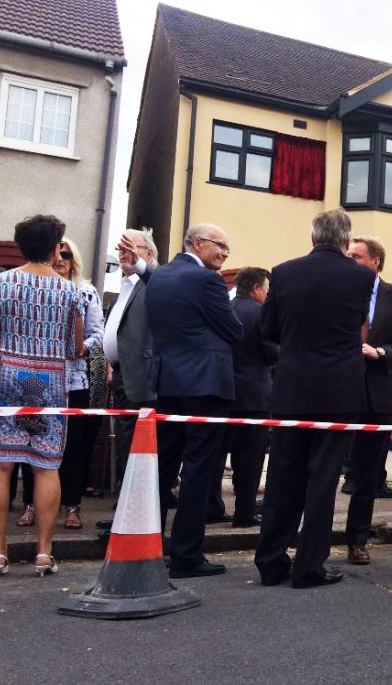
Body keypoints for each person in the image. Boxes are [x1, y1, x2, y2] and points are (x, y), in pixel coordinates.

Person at [255, 209, 373, 589]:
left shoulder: (284, 272)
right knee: (322, 479)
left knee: (283, 475)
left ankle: (271, 560)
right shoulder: (361, 277)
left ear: (313, 237)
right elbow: (358, 326)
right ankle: (310, 565)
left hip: (292, 387)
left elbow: (267, 329)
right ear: (344, 240)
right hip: (339, 389)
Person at [0, 215, 83, 577]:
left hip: (6, 378)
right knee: (46, 465)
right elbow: (75, 346)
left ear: (21, 246)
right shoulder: (71, 291)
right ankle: (44, 552)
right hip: (50, 382)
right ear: (55, 248)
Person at [146, 223, 243, 578]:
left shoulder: (159, 277)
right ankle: (187, 554)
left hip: (169, 383)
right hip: (206, 384)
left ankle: (148, 544)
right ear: (198, 243)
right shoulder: (208, 281)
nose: (225, 254)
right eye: (221, 246)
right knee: (200, 470)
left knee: (164, 467)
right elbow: (234, 330)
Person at [16, 238, 104, 531]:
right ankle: (30, 504)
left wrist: (79, 348)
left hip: (74, 378)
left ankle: (72, 506)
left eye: (66, 255)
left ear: (74, 260)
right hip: (38, 378)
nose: (61, 259)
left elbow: (97, 334)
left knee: (74, 446)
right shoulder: (37, 289)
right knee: (33, 440)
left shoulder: (86, 291)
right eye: (56, 254)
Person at [343, 237, 392, 565]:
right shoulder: (338, 288)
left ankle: (357, 539)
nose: (349, 260)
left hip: (377, 393)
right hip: (338, 391)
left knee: (368, 473)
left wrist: (381, 352)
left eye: (356, 256)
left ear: (375, 262)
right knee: (325, 467)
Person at [96, 229, 159, 538]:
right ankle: (123, 514)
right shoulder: (124, 286)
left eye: (128, 247)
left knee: (137, 452)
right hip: (120, 376)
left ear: (147, 253)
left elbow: (160, 282)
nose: (122, 253)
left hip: (141, 380)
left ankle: (133, 518)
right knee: (124, 449)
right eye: (119, 247)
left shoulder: (150, 284)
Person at [217, 267, 278, 528]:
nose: (267, 294)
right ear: (255, 288)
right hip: (254, 395)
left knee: (217, 455)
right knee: (250, 458)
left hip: (223, 391)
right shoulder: (261, 313)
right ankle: (244, 511)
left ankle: (212, 506)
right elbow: (271, 352)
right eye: (266, 289)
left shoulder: (224, 310)